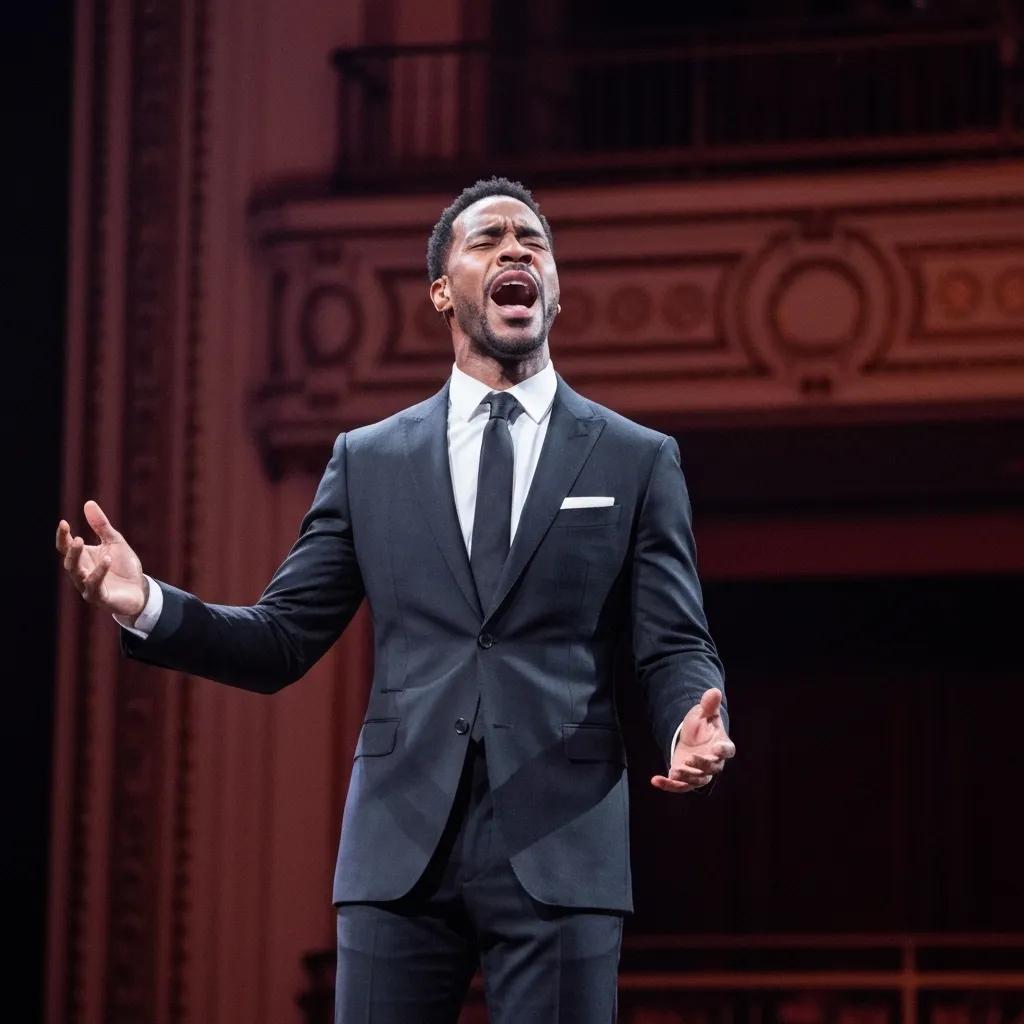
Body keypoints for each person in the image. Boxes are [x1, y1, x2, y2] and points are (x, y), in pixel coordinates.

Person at [57, 177, 736, 1023]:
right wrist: (147, 602)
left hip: (563, 843)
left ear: (554, 289)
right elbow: (281, 640)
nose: (517, 250)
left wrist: (688, 724)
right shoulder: (369, 459)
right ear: (444, 291)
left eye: (534, 241)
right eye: (487, 241)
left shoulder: (635, 458)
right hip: (398, 844)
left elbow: (673, 644)